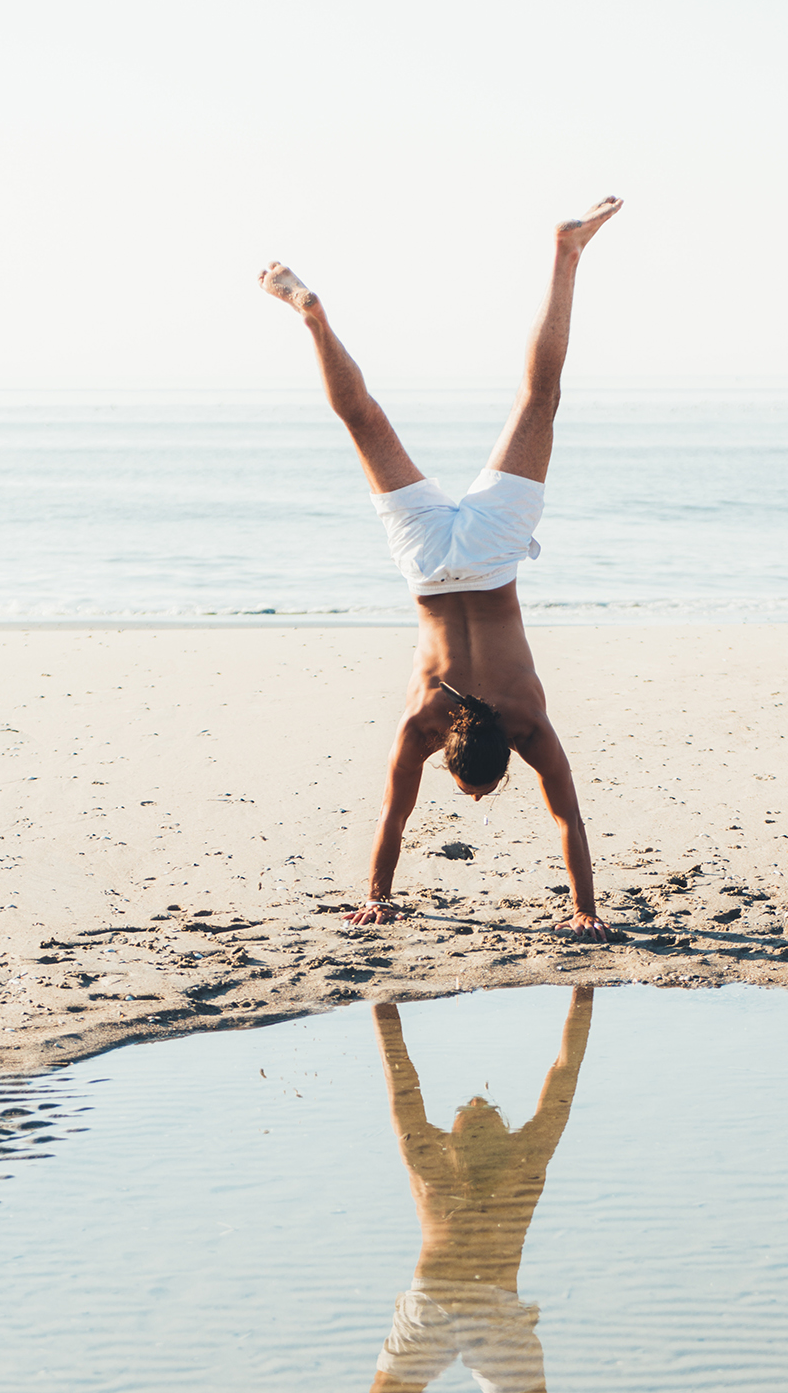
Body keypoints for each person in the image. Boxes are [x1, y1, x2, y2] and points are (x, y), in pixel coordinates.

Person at [259, 198, 623, 939]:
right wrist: (377, 894)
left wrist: (587, 909)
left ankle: (566, 254)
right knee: (364, 422)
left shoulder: (524, 719)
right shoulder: (425, 720)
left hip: (490, 553)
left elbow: (567, 816)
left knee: (540, 400)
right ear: (453, 751)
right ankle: (313, 320)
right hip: (427, 566)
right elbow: (394, 817)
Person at [275, 989, 616, 1393]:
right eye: (474, 1107)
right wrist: (582, 992)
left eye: (475, 1107)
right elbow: (561, 1075)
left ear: (455, 1133)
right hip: (480, 1314)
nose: (478, 1104)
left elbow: (404, 1076)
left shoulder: (435, 1159)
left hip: (443, 1310)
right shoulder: (525, 1160)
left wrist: (385, 1001)